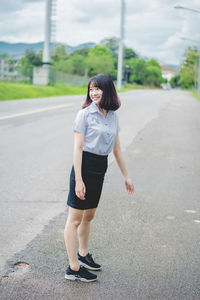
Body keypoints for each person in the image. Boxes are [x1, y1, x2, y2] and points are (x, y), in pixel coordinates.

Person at [64, 74, 134, 282]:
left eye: (98, 88)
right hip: (84, 166)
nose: (93, 92)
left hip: (100, 167)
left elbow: (117, 149)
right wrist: (79, 179)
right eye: (91, 88)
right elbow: (77, 149)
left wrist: (126, 176)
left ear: (108, 90)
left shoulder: (112, 115)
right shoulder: (84, 114)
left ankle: (83, 255)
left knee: (89, 216)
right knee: (74, 219)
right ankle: (73, 268)